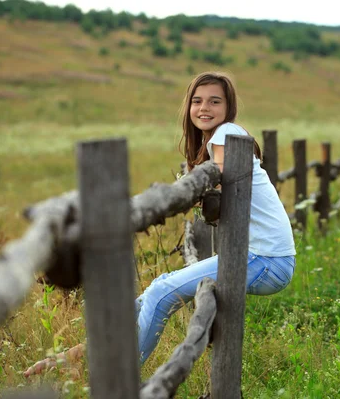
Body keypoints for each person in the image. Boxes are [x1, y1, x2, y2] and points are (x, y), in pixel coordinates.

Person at [24, 71, 296, 376]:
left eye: (214, 101)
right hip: (260, 257)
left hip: (267, 259)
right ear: (188, 106)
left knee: (160, 293)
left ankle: (116, 381)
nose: (204, 108)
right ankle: (77, 356)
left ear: (228, 108)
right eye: (197, 101)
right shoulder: (215, 140)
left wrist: (198, 187)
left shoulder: (228, 133)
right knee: (154, 290)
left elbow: (218, 176)